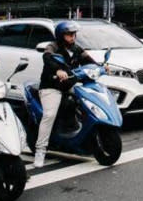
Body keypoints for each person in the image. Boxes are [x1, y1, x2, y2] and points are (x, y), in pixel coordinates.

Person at [34, 21, 96, 168]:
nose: (72, 37)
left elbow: (88, 60)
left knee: (90, 100)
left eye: (74, 34)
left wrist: (101, 67)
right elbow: (47, 58)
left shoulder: (76, 49)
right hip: (52, 86)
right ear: (61, 35)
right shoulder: (53, 47)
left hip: (70, 85)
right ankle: (40, 150)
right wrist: (58, 70)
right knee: (49, 115)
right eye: (69, 34)